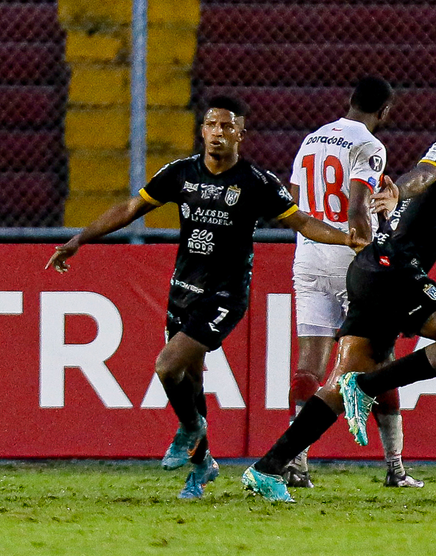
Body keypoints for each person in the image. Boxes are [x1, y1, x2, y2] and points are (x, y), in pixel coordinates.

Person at [46, 96, 367, 500]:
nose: (219, 132)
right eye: (212, 125)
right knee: (190, 384)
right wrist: (79, 239)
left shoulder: (256, 182)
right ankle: (202, 467)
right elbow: (131, 208)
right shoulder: (180, 174)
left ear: (241, 134)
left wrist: (347, 239)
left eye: (228, 126)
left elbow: (301, 222)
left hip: (225, 295)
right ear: (202, 130)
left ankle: (191, 431)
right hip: (183, 290)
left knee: (166, 367)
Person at [241, 83, 436, 502]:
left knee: (341, 377)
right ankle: (365, 389)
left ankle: (268, 468)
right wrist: (397, 189)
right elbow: (422, 174)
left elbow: (434, 222)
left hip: (375, 271)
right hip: (390, 268)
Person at [285, 76, 423, 489]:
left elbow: (292, 198)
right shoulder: (370, 146)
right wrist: (375, 236)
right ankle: (395, 468)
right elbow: (357, 206)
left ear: (349, 101)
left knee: (309, 363)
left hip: (307, 256)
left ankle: (296, 465)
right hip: (350, 260)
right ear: (385, 112)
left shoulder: (311, 139)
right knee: (379, 360)